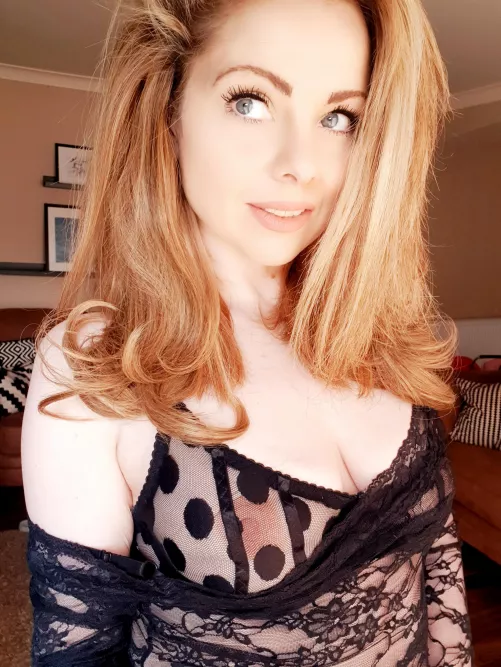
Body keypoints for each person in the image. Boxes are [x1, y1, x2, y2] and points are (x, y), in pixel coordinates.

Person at [21, 0, 474, 664]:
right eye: (250, 102)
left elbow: (438, 575)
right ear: (168, 111)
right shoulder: (99, 359)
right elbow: (76, 651)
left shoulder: (378, 329)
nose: (301, 164)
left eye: (339, 117)